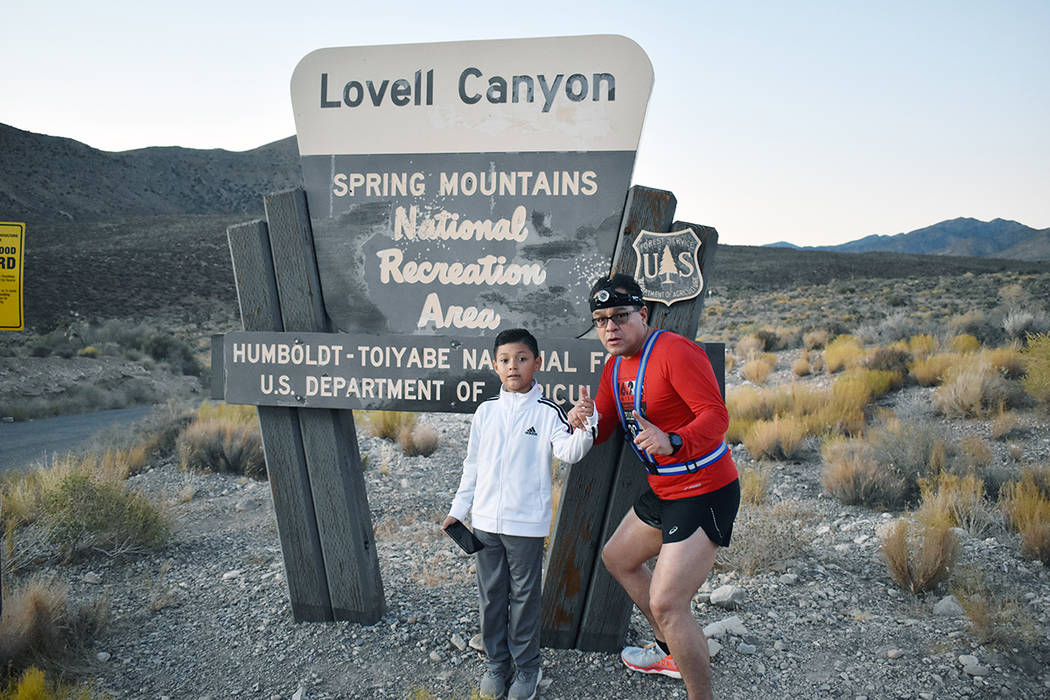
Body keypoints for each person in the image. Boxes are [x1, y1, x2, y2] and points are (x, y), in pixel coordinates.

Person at [567, 273, 740, 700]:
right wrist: (584, 420)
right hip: (666, 488)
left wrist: (673, 439)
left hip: (704, 488)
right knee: (618, 558)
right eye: (601, 319)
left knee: (667, 602)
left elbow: (716, 418)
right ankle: (669, 651)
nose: (610, 327)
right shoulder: (614, 366)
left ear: (642, 314)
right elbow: (605, 427)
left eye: (620, 316)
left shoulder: (674, 352)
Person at [444, 328, 595, 700]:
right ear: (495, 366)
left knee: (525, 596)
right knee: (492, 594)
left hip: (525, 525)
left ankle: (528, 667)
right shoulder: (486, 412)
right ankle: (497, 664)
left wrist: (588, 423)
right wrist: (458, 510)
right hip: (484, 524)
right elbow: (473, 465)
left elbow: (569, 451)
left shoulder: (548, 413)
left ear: (537, 363)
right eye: (506, 360)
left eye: (522, 358)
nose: (514, 366)